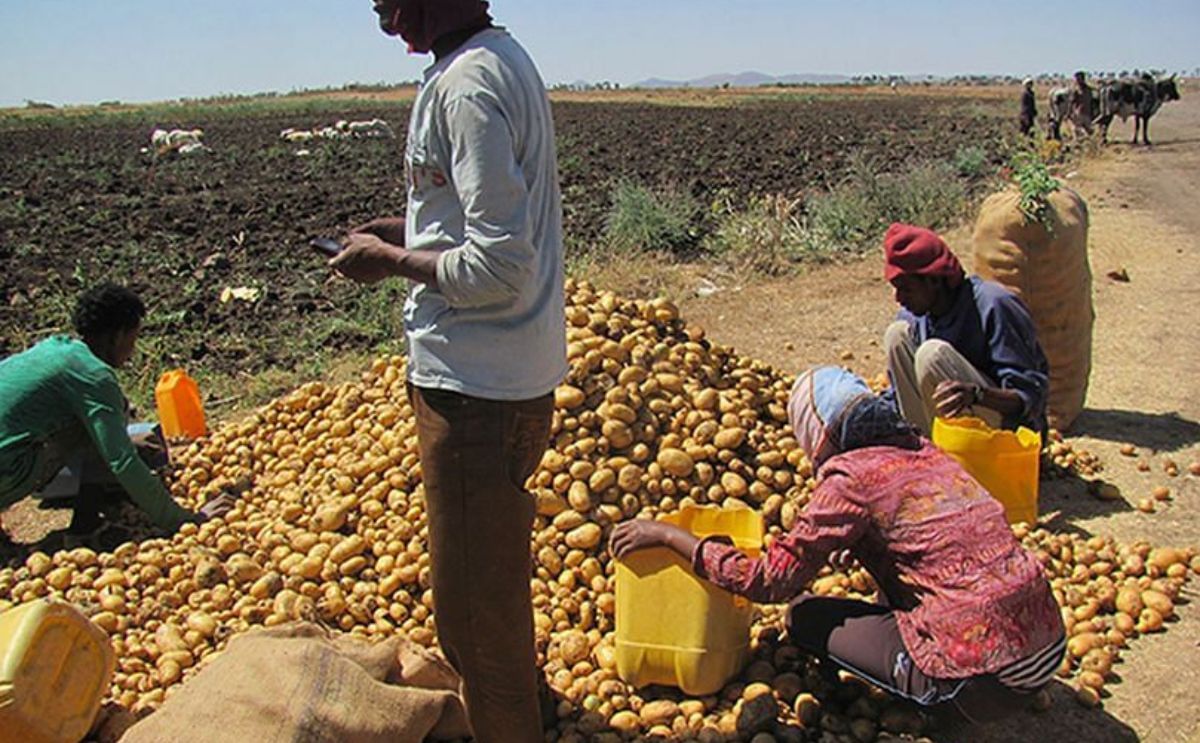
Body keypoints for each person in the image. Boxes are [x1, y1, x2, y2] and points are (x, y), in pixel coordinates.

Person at [330, 2, 566, 741]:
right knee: (489, 587)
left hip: (476, 393)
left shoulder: (467, 86)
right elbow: (485, 221)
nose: (382, 17)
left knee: (474, 622)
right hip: (503, 379)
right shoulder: (497, 60)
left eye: (388, 2)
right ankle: (526, 707)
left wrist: (390, 261)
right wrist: (407, 231)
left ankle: (509, 723)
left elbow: (499, 265)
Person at [610, 366, 1065, 723]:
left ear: (817, 430)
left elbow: (769, 581)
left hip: (980, 684)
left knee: (804, 615)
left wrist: (669, 536)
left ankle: (936, 704)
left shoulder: (849, 478)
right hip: (1046, 646)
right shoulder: (927, 451)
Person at [0, 284, 232, 540]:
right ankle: (85, 526)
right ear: (119, 336)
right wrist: (185, 519)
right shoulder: (93, 376)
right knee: (104, 421)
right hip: (8, 472)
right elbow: (121, 460)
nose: (132, 350)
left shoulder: (54, 348)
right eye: (133, 338)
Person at [880, 223, 1049, 436]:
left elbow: (1029, 397)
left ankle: (957, 451)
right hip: (944, 430)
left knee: (931, 355)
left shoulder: (993, 306)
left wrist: (977, 395)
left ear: (933, 281)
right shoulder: (915, 317)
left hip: (1006, 434)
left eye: (906, 289)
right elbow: (899, 395)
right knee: (895, 334)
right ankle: (925, 446)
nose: (898, 298)